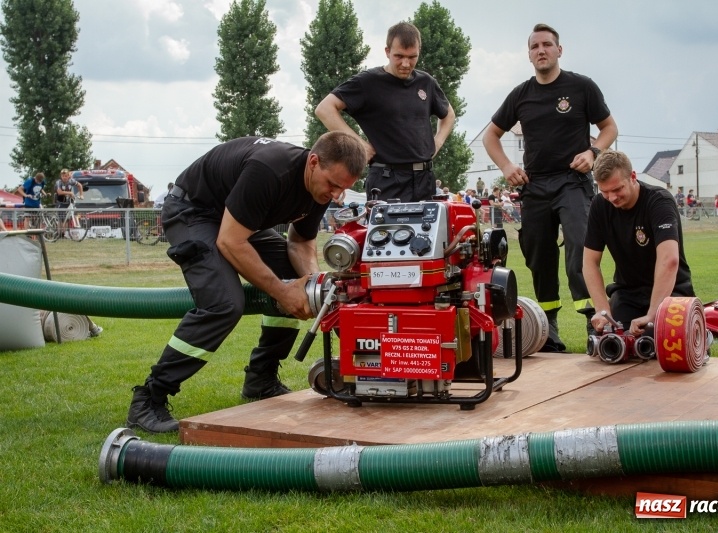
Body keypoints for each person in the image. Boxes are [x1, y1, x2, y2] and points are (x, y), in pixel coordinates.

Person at [125, 132, 367, 433]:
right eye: (332, 185)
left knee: (301, 287)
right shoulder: (270, 170)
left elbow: (301, 241)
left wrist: (313, 284)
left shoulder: (320, 187)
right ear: (314, 162)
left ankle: (261, 379)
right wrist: (283, 293)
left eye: (343, 189)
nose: (335, 195)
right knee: (224, 304)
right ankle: (148, 398)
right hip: (194, 211)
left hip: (234, 223)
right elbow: (230, 241)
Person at [482, 23, 618, 352]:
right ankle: (548, 330)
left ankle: (595, 324)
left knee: (579, 252)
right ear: (529, 55)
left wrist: (593, 152)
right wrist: (507, 167)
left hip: (573, 182)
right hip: (535, 185)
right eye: (535, 46)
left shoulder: (582, 87)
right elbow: (491, 136)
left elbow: (609, 128)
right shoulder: (521, 94)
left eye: (547, 44)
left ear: (559, 49)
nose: (541, 50)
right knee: (538, 257)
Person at [315, 22, 455, 203]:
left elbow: (449, 114)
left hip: (425, 179)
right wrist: (358, 143)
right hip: (387, 179)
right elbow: (325, 109)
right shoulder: (368, 82)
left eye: (412, 57)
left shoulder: (426, 82)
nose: (406, 63)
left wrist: (438, 141)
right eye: (399, 56)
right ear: (387, 51)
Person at [583, 150, 695, 336]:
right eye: (605, 192)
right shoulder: (599, 205)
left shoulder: (659, 201)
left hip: (671, 294)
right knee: (608, 339)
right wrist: (602, 311)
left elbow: (669, 260)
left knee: (656, 340)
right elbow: (589, 262)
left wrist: (652, 315)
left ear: (633, 177)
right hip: (628, 294)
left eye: (617, 189)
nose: (612, 197)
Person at [54, 169, 84, 236]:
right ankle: (59, 234)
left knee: (67, 218)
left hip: (68, 201)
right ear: (61, 176)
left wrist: (81, 194)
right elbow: (59, 192)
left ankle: (65, 233)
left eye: (66, 176)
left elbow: (79, 185)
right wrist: (70, 193)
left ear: (68, 176)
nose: (64, 177)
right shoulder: (58, 182)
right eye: (63, 176)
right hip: (60, 201)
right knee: (61, 218)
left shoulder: (71, 181)